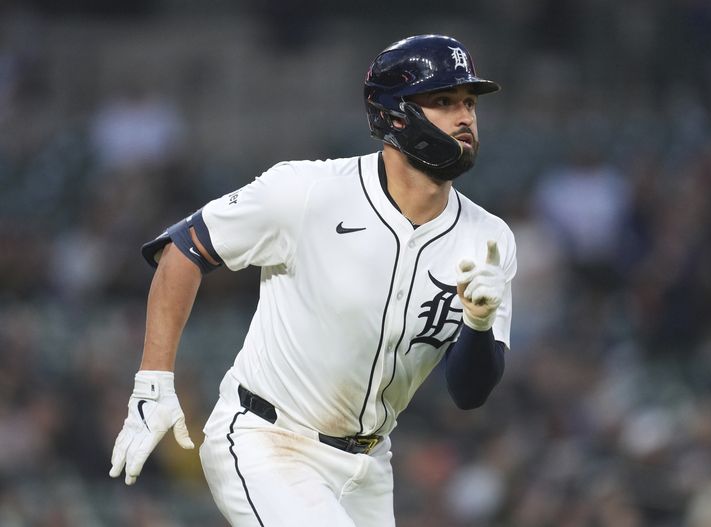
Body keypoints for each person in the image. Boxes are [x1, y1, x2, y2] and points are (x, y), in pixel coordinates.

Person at [109, 34, 517, 526]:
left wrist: (479, 322)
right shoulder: (308, 192)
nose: (465, 116)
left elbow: (469, 393)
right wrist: (153, 380)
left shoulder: (488, 240)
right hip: (268, 439)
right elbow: (184, 249)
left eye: (470, 102)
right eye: (444, 101)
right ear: (394, 115)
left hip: (368, 466)